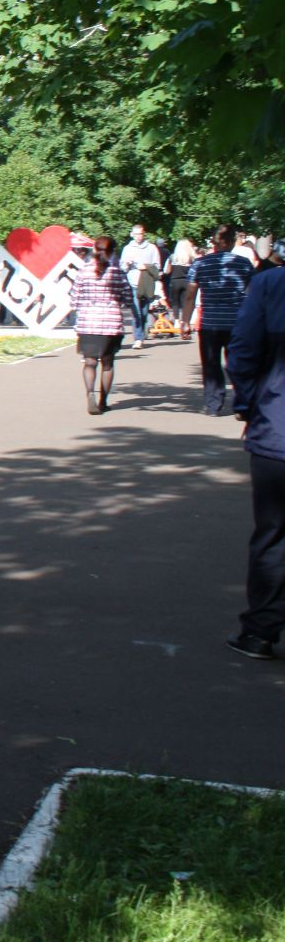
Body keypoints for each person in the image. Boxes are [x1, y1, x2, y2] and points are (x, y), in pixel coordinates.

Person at [226, 259, 285, 660]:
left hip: (278, 428)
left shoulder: (270, 285)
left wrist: (248, 404)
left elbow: (243, 349)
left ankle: (261, 632)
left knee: (274, 535)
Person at [190, 224, 254, 416]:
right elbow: (253, 294)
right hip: (238, 322)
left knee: (211, 364)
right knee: (238, 363)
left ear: (214, 242)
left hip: (210, 322)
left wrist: (184, 320)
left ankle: (213, 405)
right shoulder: (243, 263)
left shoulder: (200, 264)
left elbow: (190, 294)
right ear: (232, 242)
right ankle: (242, 405)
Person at [69, 235, 133, 415]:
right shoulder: (117, 272)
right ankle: (103, 401)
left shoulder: (83, 271)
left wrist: (82, 307)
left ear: (94, 250)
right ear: (113, 252)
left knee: (89, 362)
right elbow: (128, 298)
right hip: (111, 322)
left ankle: (90, 393)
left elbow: (74, 298)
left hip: (88, 321)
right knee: (108, 364)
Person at [120, 223, 162, 348]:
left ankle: (142, 335)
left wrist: (146, 267)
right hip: (133, 283)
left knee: (144, 311)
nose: (138, 237)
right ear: (132, 234)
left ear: (144, 234)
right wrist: (127, 264)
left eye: (141, 234)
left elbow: (157, 266)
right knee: (136, 311)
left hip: (147, 283)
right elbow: (123, 267)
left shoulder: (151, 248)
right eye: (136, 234)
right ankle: (137, 338)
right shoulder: (127, 248)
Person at [165, 236, 198, 340]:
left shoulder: (172, 257)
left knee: (175, 302)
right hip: (187, 282)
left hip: (175, 281)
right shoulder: (191, 258)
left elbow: (167, 271)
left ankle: (176, 321)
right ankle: (185, 323)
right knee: (186, 304)